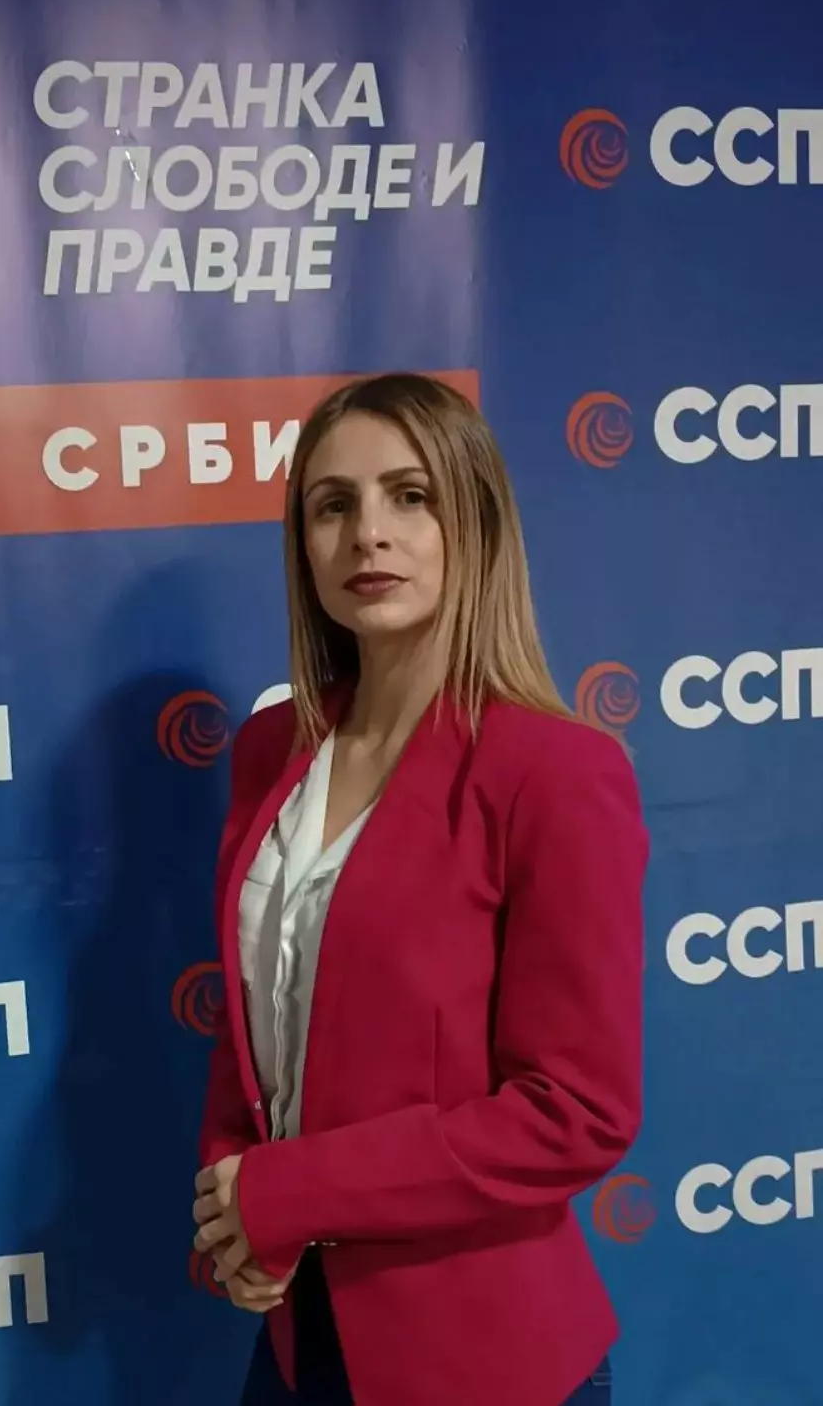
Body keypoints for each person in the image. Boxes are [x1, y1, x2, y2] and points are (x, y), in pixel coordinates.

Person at [191, 374, 647, 1405]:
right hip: (296, 1335)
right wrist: (234, 1204)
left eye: (410, 496)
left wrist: (287, 1190)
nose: (369, 533)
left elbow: (575, 1111)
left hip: (478, 1357)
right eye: (332, 504)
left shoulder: (554, 770)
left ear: (472, 523)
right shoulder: (270, 748)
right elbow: (256, 1021)